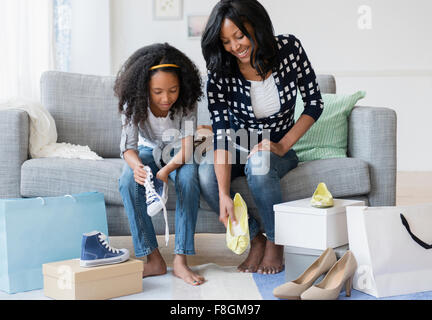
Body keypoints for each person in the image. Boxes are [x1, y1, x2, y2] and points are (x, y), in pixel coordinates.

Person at [200, 0, 324, 275]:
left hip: (276, 150)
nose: (235, 47)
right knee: (206, 173)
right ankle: (255, 239)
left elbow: (314, 103)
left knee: (260, 164)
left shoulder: (289, 49)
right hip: (237, 146)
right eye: (226, 41)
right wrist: (222, 194)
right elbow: (221, 134)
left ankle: (275, 241)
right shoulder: (220, 72)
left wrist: (282, 145)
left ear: (256, 26)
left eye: (239, 36)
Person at [115, 43, 206, 286]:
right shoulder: (132, 102)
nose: (166, 98)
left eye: (172, 90)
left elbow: (187, 148)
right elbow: (128, 147)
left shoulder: (186, 100)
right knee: (126, 182)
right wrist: (137, 168)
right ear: (144, 88)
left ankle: (180, 260)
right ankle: (153, 259)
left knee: (188, 179)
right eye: (157, 92)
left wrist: (165, 171)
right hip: (147, 150)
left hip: (178, 149)